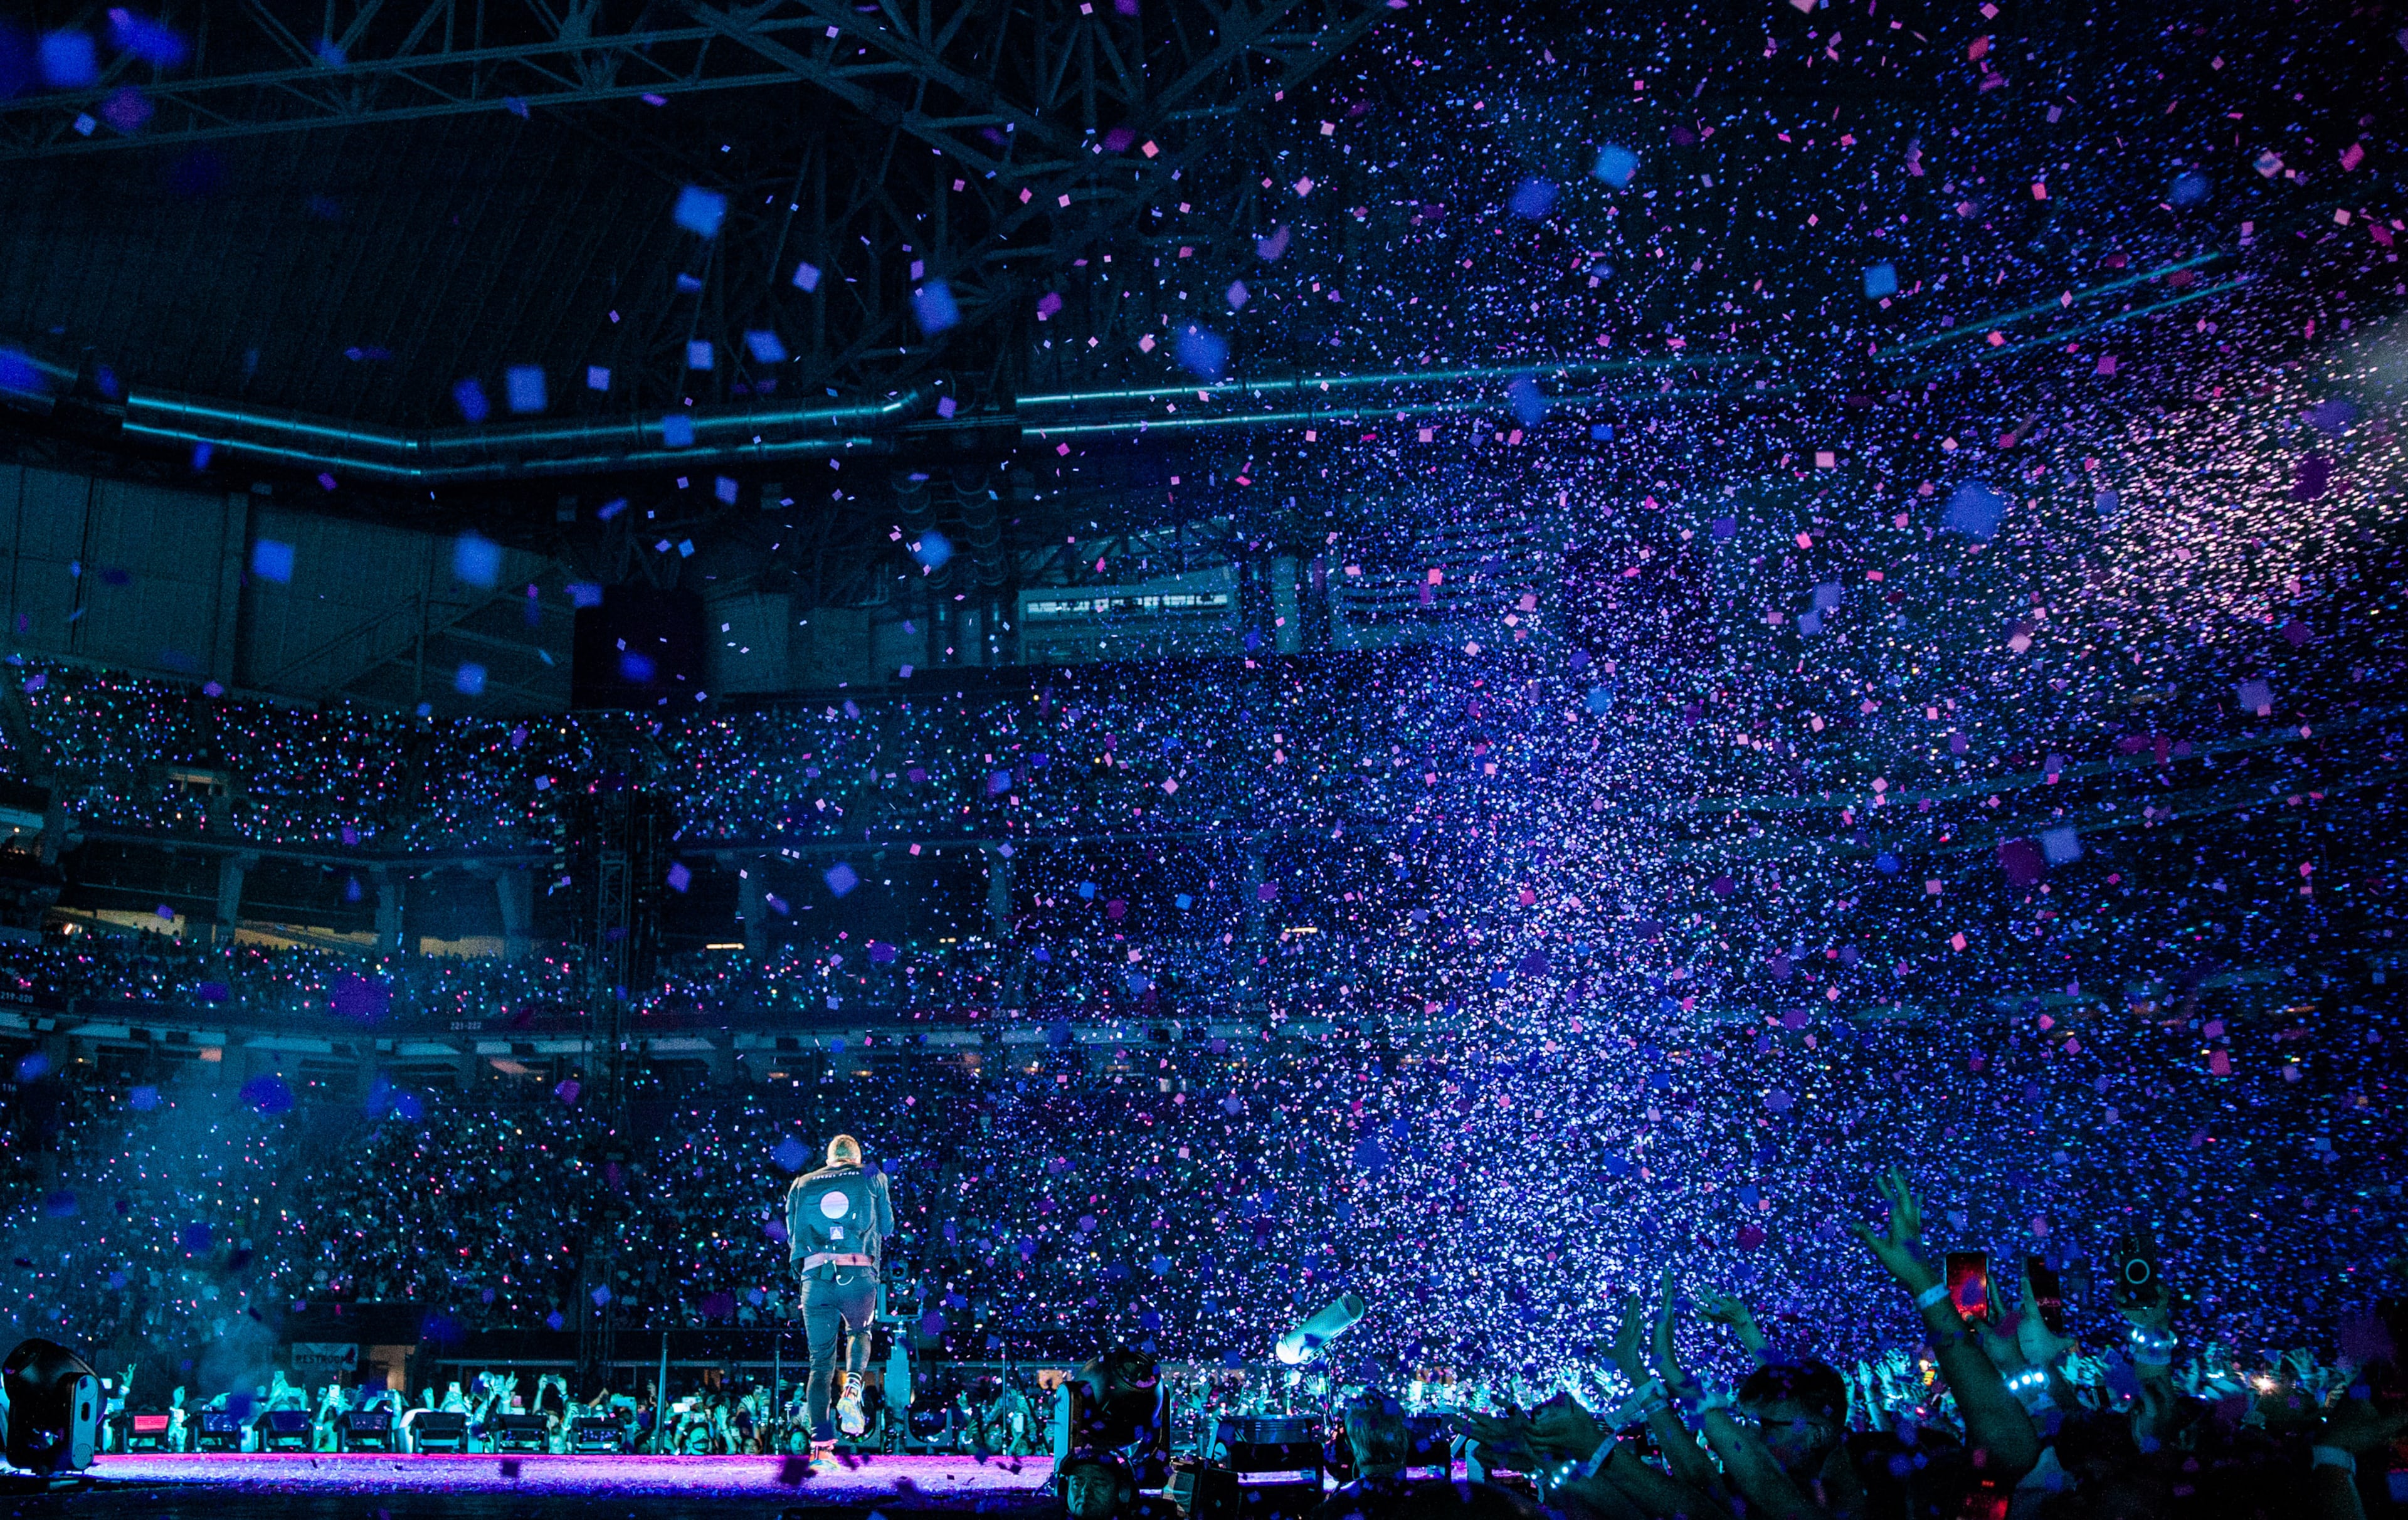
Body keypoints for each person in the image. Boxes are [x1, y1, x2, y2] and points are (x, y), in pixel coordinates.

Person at [785, 1132, 893, 1461]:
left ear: (829, 1160)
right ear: (856, 1159)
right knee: (859, 1332)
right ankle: (853, 1386)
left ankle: (820, 1450)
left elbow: (793, 1235)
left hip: (816, 1277)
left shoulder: (802, 1183)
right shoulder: (872, 1176)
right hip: (857, 1273)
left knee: (820, 1364)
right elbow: (887, 1226)